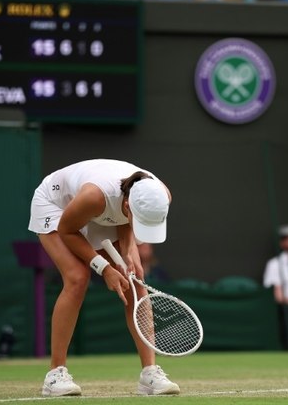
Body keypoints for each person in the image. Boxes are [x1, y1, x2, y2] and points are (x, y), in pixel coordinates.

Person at [28, 159, 180, 397]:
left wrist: (129, 253)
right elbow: (68, 230)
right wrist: (104, 268)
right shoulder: (95, 196)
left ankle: (150, 373)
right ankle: (55, 374)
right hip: (57, 205)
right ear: (129, 205)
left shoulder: (160, 195)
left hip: (107, 210)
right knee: (78, 277)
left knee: (135, 277)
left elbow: (128, 221)